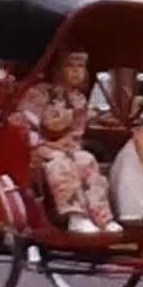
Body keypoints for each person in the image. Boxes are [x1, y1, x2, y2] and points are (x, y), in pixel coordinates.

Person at [19, 48, 123, 236]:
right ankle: (76, 216)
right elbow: (24, 127)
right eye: (70, 66)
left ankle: (101, 217)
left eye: (80, 66)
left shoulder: (79, 99)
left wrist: (68, 144)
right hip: (35, 149)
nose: (76, 71)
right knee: (60, 161)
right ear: (58, 68)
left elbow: (77, 131)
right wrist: (49, 145)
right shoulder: (37, 93)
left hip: (64, 147)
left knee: (86, 159)